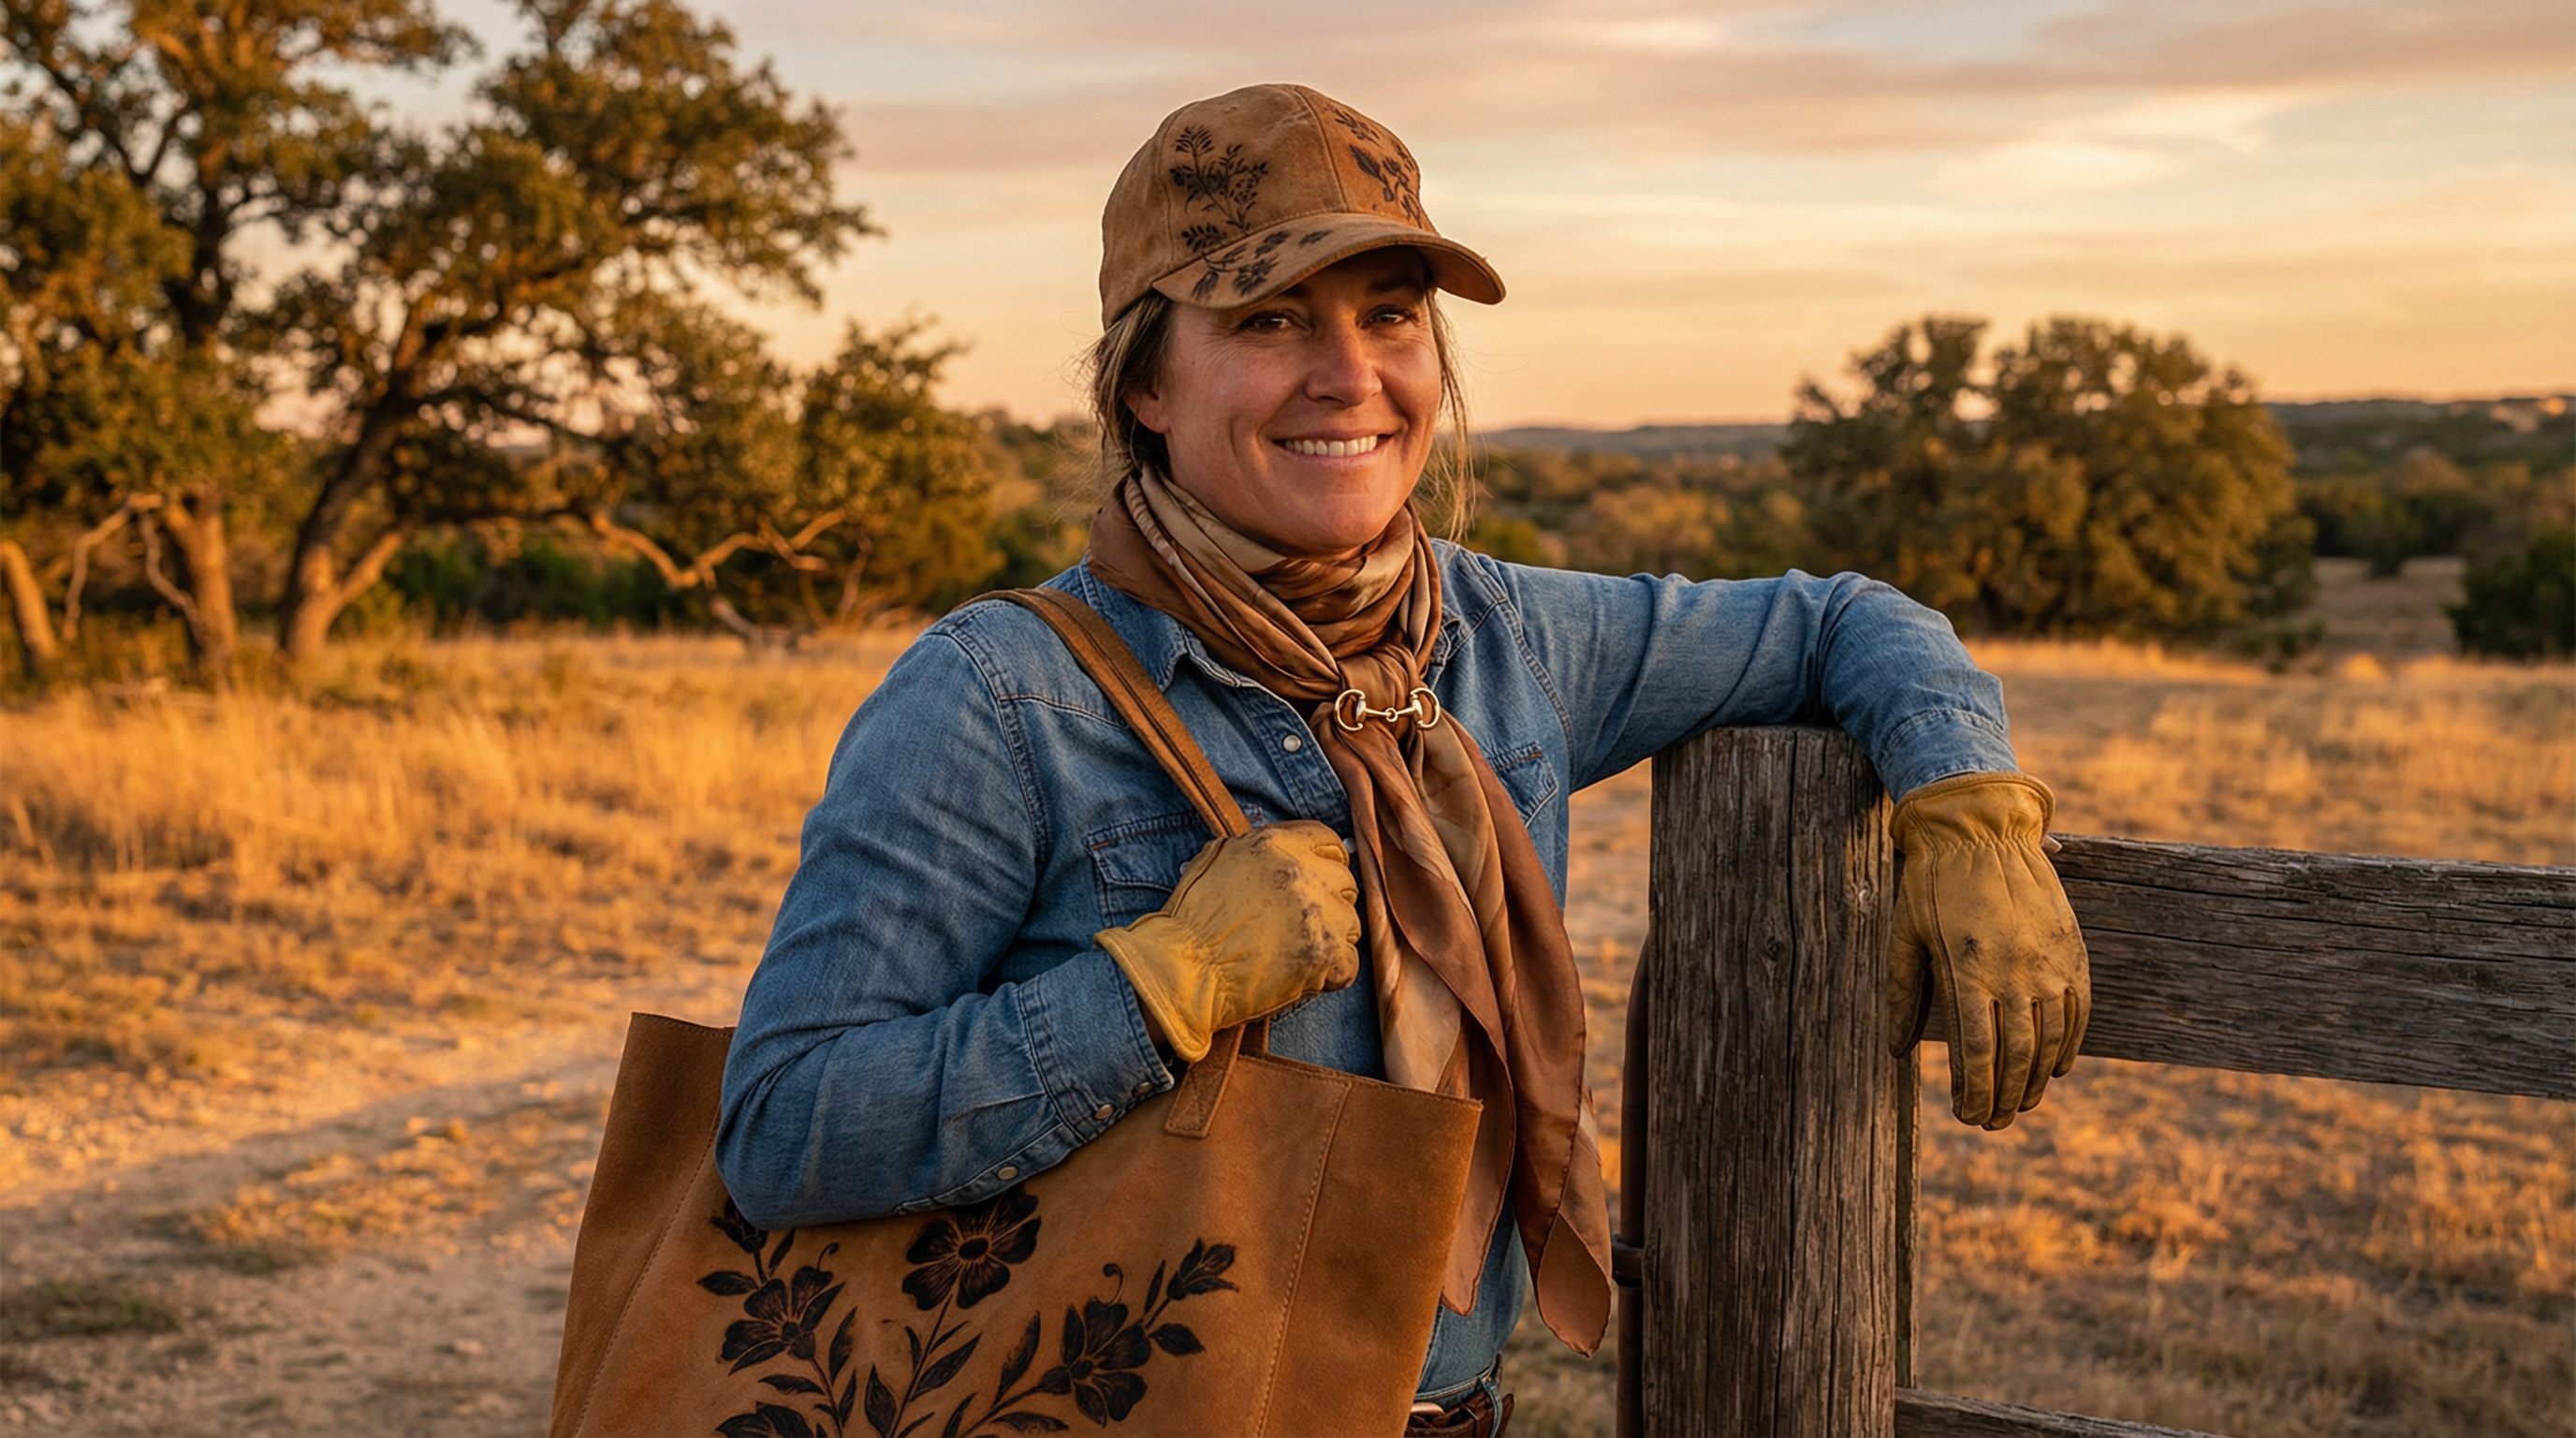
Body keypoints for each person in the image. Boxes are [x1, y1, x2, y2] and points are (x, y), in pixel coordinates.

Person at [718, 82, 2090, 1436]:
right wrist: (1160, 985)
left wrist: (1968, 810)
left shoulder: (1507, 639)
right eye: (1269, 319)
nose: (1350, 375)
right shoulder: (998, 698)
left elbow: (1844, 621)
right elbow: (784, 1128)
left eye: (1391, 314)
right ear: (1143, 380)